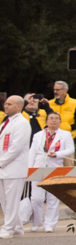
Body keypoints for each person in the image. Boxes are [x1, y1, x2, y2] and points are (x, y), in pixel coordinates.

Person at [23, 110, 76, 232]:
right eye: (51, 118)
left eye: (56, 118)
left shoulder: (66, 134)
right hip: (38, 168)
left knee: (53, 198)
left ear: (60, 121)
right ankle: (36, 222)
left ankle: (49, 224)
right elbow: (32, 152)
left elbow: (70, 149)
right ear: (46, 121)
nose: (53, 120)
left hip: (55, 167)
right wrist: (30, 169)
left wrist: (56, 154)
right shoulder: (38, 135)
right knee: (36, 198)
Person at [0, 96, 32, 236]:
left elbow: (16, 148)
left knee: (12, 201)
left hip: (14, 168)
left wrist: (1, 163)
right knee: (4, 201)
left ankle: (8, 228)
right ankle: (17, 226)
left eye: (10, 104)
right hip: (3, 167)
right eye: (6, 104)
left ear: (19, 107)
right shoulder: (5, 123)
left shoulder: (22, 123)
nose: (6, 106)